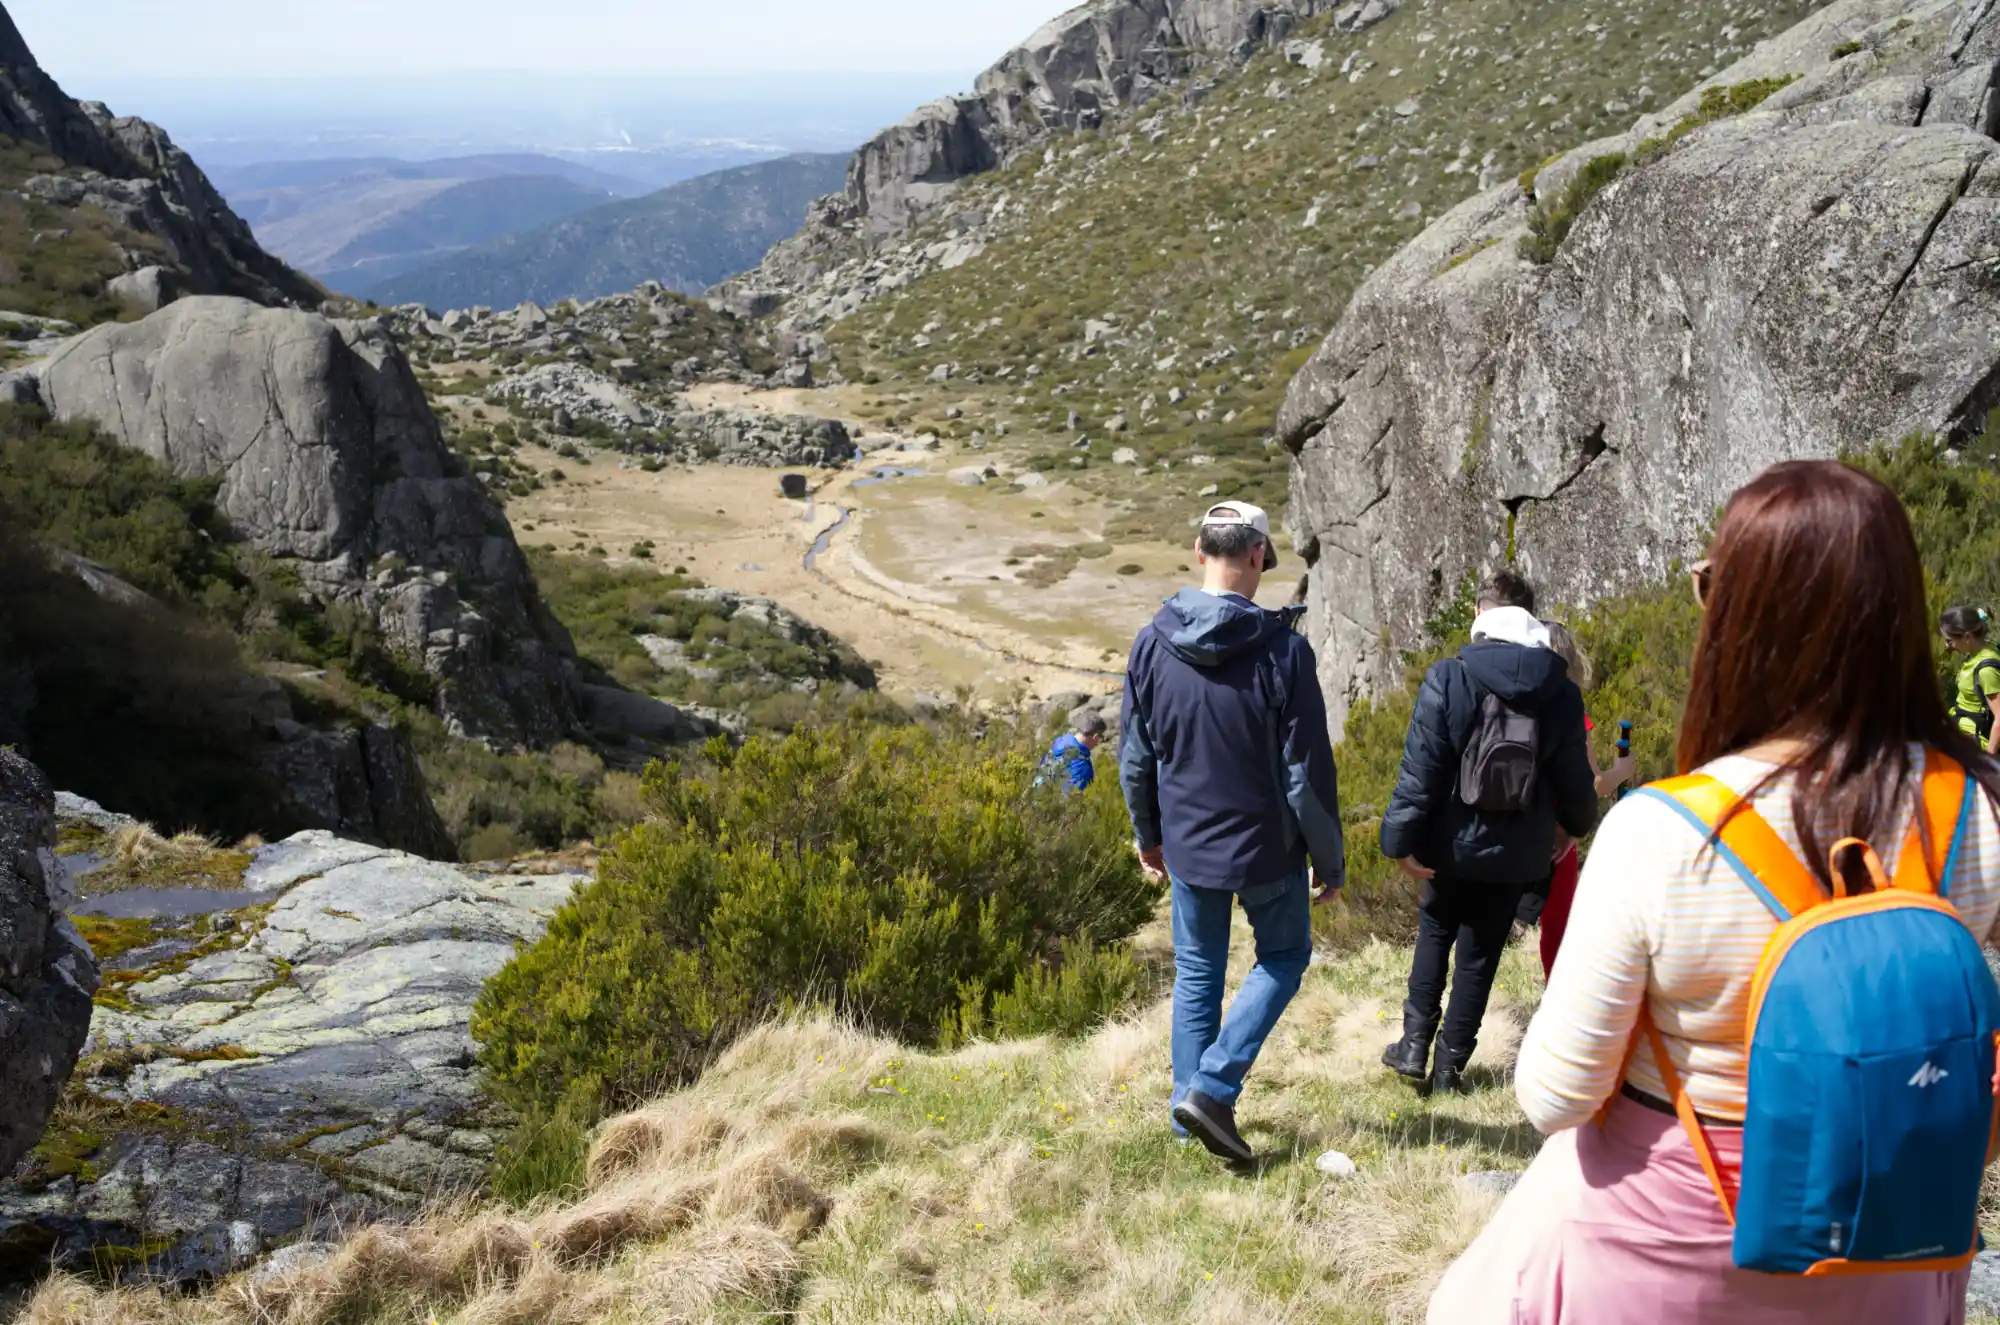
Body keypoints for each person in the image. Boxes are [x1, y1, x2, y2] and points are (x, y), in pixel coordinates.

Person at [1431, 460, 2000, 1324]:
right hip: (1892, 1252)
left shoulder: (1662, 833)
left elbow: (1556, 1095)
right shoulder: (1978, 814)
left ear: (1743, 619)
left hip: (1667, 1258)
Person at [1120, 499, 1345, 1164]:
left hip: (1188, 844)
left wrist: (1147, 834)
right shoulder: (1286, 652)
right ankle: (1212, 1091)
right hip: (1267, 849)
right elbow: (1304, 775)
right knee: (1283, 957)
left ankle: (1188, 1120)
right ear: (1256, 557)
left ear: (1199, 551)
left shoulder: (1152, 642)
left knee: (1197, 974)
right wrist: (1330, 860)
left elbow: (1137, 756)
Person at [1378, 570, 1599, 1096]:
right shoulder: (1560, 693)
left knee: (1435, 933)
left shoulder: (1448, 678)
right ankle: (1452, 1067)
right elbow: (1577, 786)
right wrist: (1572, 829)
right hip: (1517, 856)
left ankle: (1413, 1048)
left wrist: (1399, 844)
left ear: (1480, 615)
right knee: (1480, 956)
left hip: (1447, 848)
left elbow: (1419, 777)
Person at [1531, 620, 1636, 979]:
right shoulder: (1571, 711)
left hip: (1513, 823)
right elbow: (1594, 783)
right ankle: (1557, 996)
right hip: (1559, 835)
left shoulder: (1516, 704)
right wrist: (1623, 769)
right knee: (1558, 924)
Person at [1942, 605, 2000, 756]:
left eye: (1950, 640)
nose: (1947, 646)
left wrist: (1988, 762)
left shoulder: (1986, 669)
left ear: (1967, 637)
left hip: (1975, 745)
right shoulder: (1978, 653)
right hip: (1961, 731)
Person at [1040, 709, 1107, 791]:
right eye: (1101, 737)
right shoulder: (1081, 764)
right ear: (1095, 737)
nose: (1098, 742)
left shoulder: (1059, 742)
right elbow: (1075, 797)